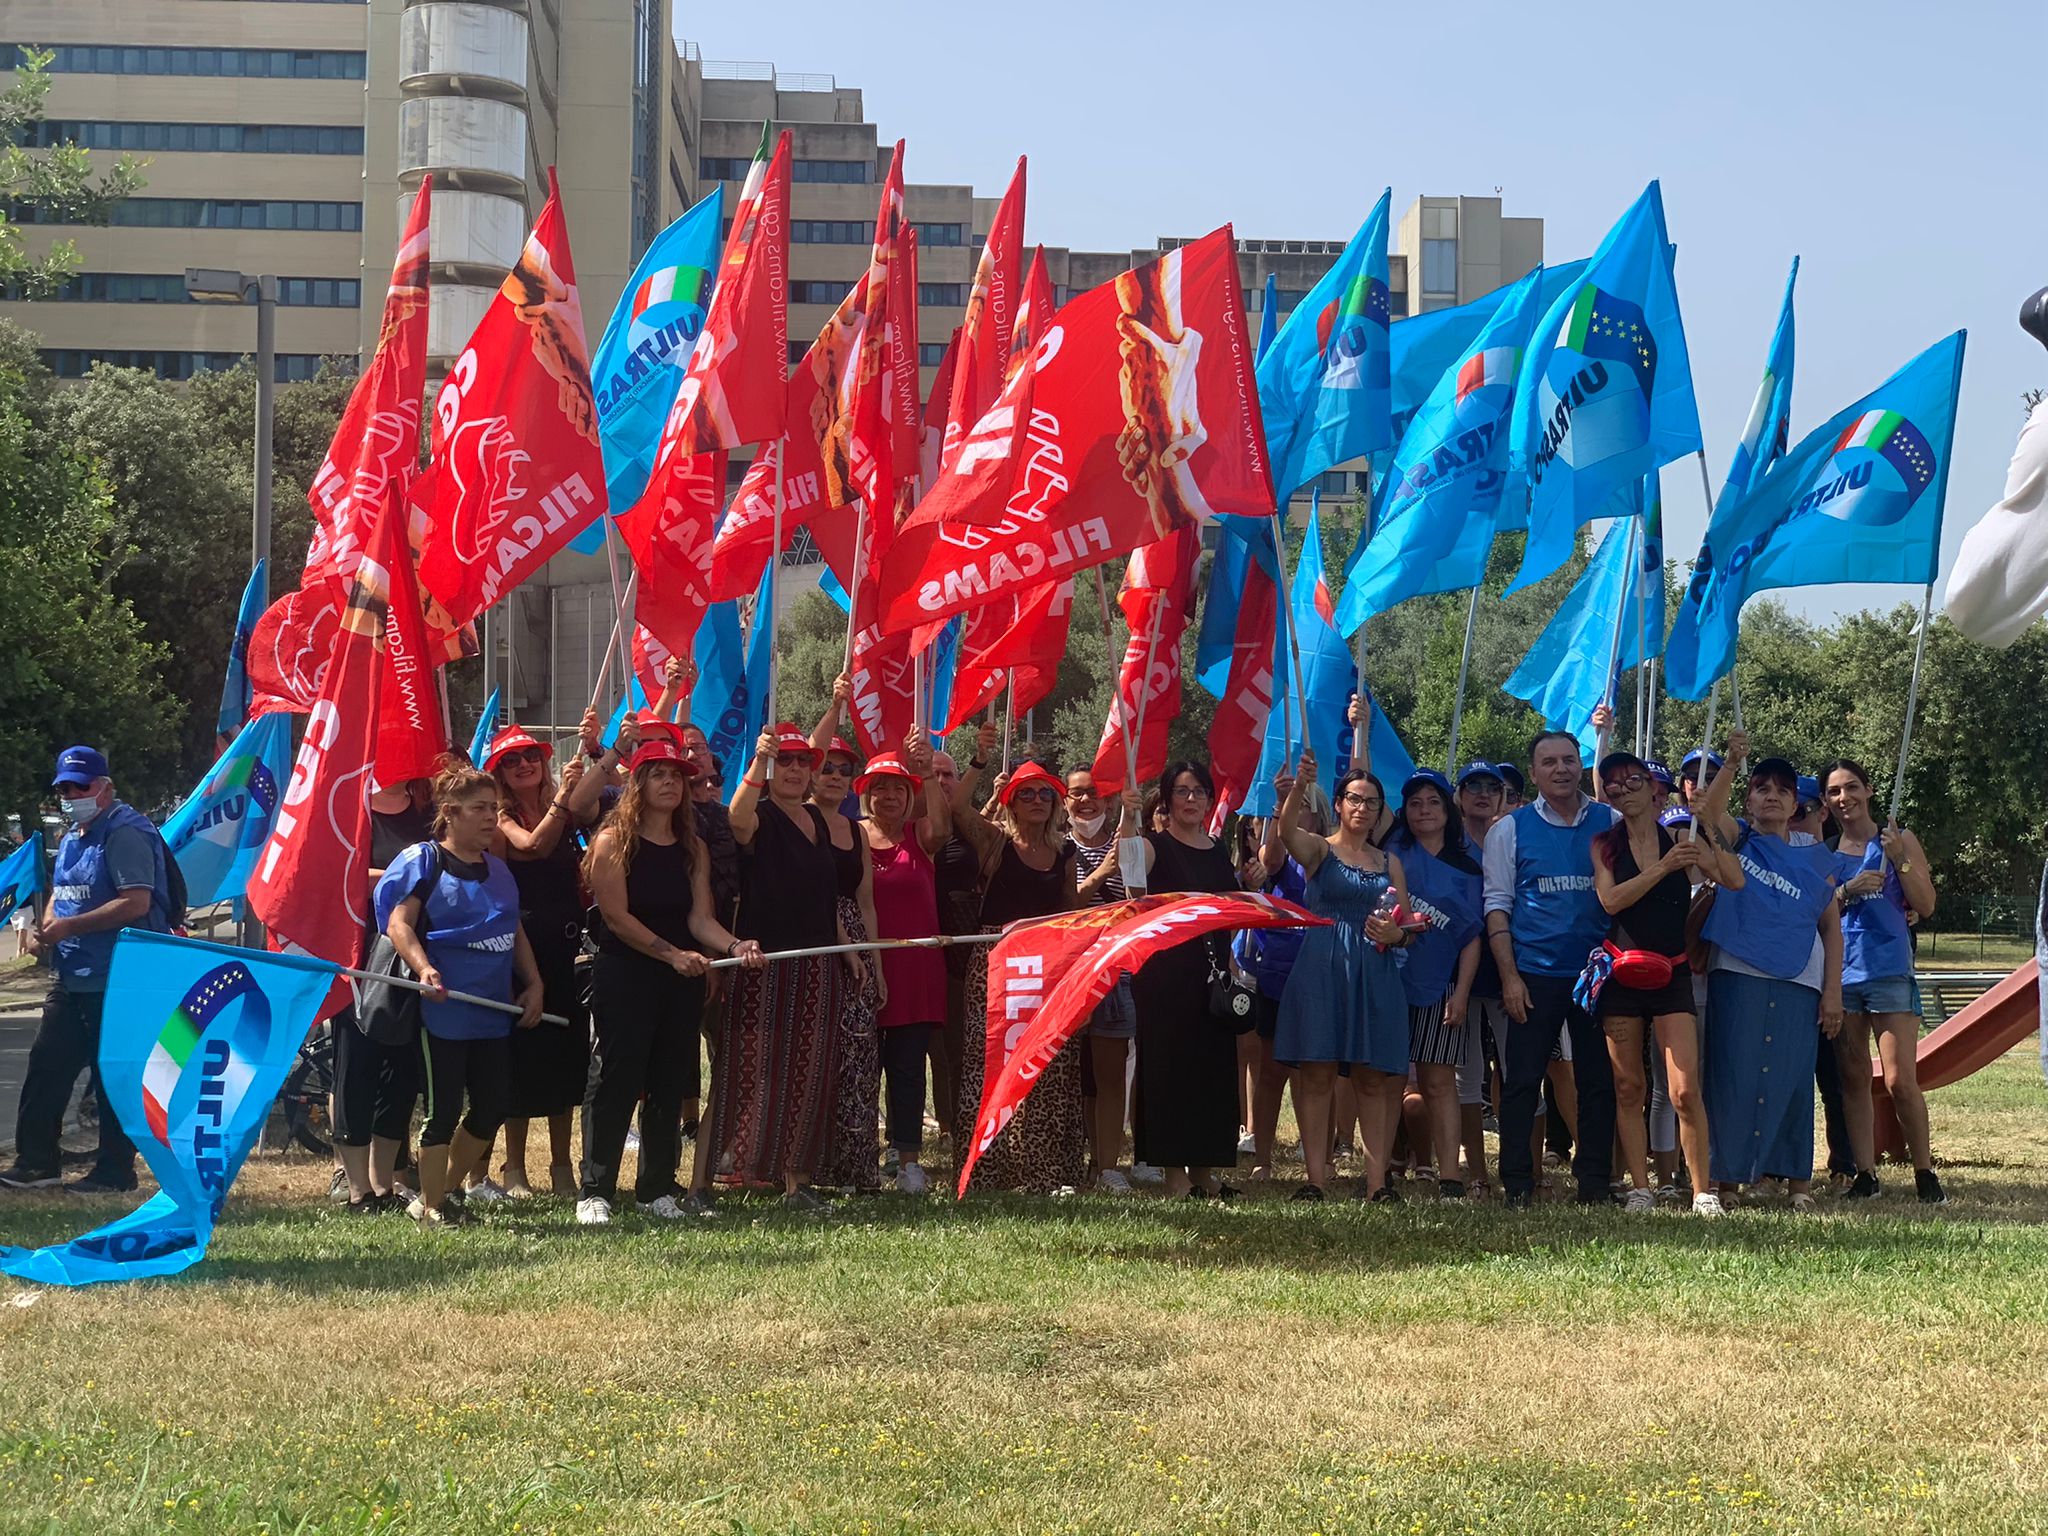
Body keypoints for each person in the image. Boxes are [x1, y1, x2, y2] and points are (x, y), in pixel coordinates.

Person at [578, 737, 762, 1224]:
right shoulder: (612, 841)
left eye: (677, 775)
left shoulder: (693, 847)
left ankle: (655, 1188)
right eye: (658, 773)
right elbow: (616, 918)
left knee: (669, 1079)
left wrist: (733, 946)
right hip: (626, 973)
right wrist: (671, 953)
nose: (670, 783)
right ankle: (595, 1189)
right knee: (617, 1078)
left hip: (681, 977)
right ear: (637, 782)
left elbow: (701, 919)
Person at [377, 759, 545, 1229]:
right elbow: (398, 924)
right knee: (443, 1110)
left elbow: (512, 930)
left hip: (492, 1012)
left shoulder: (500, 872)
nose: (492, 816)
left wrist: (534, 983)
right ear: (450, 812)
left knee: (491, 1105)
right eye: (479, 808)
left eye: (495, 807)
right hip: (443, 1012)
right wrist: (425, 969)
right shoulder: (424, 862)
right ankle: (433, 1208)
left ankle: (441, 1193)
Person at [2, 747, 175, 1194]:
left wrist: (69, 926)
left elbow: (136, 902)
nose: (72, 794)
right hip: (73, 971)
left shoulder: (126, 832)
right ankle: (37, 1162)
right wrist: (48, 924)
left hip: (121, 975)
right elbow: (63, 892)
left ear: (105, 787)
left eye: (81, 786)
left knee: (112, 1075)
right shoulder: (76, 834)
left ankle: (115, 1172)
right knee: (47, 1065)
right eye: (64, 787)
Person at [1691, 736, 1844, 1211]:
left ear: (1796, 803)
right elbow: (1708, 816)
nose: (1772, 795)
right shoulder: (1739, 837)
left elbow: (1830, 928)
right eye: (1761, 788)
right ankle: (1729, 1181)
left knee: (1794, 1081)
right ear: (1749, 800)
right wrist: (1733, 764)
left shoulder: (1817, 856)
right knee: (1731, 1076)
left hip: (1800, 979)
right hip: (1736, 971)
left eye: (1782, 789)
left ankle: (1798, 1182)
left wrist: (1833, 991)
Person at [712, 725, 860, 1208]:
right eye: (787, 761)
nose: (796, 769)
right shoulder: (761, 814)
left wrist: (849, 948)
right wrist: (759, 761)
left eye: (803, 762)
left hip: (819, 962)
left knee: (811, 1068)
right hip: (765, 962)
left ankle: (797, 1179)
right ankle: (746, 1169)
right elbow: (735, 821)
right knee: (756, 1067)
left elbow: (827, 898)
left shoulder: (818, 821)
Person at [1590, 751, 1739, 1217]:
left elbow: (1734, 880)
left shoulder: (1682, 837)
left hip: (1672, 973)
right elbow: (1611, 900)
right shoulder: (1604, 844)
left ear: (1654, 789)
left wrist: (1708, 829)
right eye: (1611, 786)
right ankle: (1640, 1187)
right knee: (1629, 1086)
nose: (1621, 791)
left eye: (1631, 781)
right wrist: (1664, 868)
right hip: (1621, 972)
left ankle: (1702, 1191)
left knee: (1683, 1090)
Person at [1482, 731, 1621, 1208]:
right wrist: (1510, 977)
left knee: (1598, 1081)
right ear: (1535, 771)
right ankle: (1518, 1183)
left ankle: (1595, 1183)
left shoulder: (1612, 822)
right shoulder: (1510, 830)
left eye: (1568, 759)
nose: (1560, 769)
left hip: (1596, 975)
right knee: (1521, 1081)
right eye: (1549, 762)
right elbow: (1497, 908)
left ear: (1582, 764)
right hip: (1534, 975)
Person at [1270, 752, 1413, 1200]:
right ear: (1338, 803)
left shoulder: (1390, 863)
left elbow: (1406, 926)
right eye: (1354, 798)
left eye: (1371, 802)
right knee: (1317, 1074)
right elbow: (1285, 833)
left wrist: (1397, 933)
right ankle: (1315, 1180)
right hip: (1320, 967)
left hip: (1374, 969)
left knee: (1372, 1078)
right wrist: (1296, 790)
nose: (1362, 808)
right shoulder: (1319, 848)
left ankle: (1376, 1185)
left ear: (1378, 810)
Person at [952, 739, 1086, 1193]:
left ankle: (1042, 1174)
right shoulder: (995, 841)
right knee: (987, 1064)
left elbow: (1071, 914)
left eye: (1044, 793)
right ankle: (986, 1174)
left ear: (1054, 802)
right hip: (995, 967)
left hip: (1046, 968)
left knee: (1044, 1069)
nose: (1035, 800)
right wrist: (979, 761)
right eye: (1025, 793)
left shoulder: (1066, 855)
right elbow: (955, 805)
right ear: (1010, 799)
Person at [1822, 759, 1945, 1203]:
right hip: (1843, 974)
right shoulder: (1826, 849)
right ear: (1825, 801)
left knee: (1898, 1080)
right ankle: (1866, 1174)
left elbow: (1926, 904)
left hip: (1890, 970)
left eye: (1851, 787)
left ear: (1869, 790)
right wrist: (1845, 891)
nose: (1844, 798)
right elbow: (1814, 912)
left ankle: (1925, 1171)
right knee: (1853, 1079)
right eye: (1834, 791)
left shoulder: (1900, 839)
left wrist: (1899, 861)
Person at [484, 725, 590, 1200]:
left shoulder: (565, 802)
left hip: (567, 946)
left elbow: (610, 790)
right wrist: (562, 799)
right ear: (500, 773)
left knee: (567, 1059)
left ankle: (563, 1164)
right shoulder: (501, 817)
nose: (524, 763)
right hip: (521, 946)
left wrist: (595, 755)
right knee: (521, 1059)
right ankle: (515, 1168)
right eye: (512, 760)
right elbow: (532, 846)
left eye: (530, 754)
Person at [329, 779, 433, 1212]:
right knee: (357, 1068)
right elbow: (338, 875)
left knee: (402, 1073)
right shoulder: (349, 813)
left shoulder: (429, 813)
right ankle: (356, 1190)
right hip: (358, 958)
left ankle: (384, 1184)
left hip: (417, 957)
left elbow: (449, 870)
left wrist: (390, 882)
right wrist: (409, 880)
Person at [857, 733, 953, 1194]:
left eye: (897, 788)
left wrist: (930, 771)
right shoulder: (853, 836)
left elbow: (943, 828)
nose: (889, 796)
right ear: (866, 794)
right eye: (879, 788)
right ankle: (860, 1158)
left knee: (908, 1068)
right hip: (862, 967)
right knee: (862, 1068)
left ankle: (910, 1160)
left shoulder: (920, 837)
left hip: (916, 972)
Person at [1382, 769, 1483, 1199]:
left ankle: (1450, 1177)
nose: (1424, 810)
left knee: (1438, 1081)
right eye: (1416, 803)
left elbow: (1471, 937)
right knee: (1385, 1080)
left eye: (1434, 802)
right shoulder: (1392, 849)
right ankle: (1380, 1171)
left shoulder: (1468, 866)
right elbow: (1362, 779)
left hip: (1440, 987)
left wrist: (1461, 993)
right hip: (1387, 978)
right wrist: (1359, 725)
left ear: (1449, 809)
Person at [805, 693, 885, 1194]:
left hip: (857, 946)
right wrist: (834, 703)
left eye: (843, 769)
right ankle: (808, 1168)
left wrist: (877, 965)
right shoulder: (799, 821)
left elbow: (868, 903)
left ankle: (855, 1169)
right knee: (816, 1056)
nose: (833, 775)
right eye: (826, 767)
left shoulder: (856, 833)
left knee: (858, 1058)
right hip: (814, 940)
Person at [1063, 766, 1142, 1191]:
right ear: (1065, 802)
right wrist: (1101, 872)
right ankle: (1076, 1163)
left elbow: (1138, 897)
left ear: (1109, 801)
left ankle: (1107, 1166)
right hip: (1066, 976)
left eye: (1095, 793)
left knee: (1110, 1077)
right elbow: (1064, 905)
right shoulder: (1056, 849)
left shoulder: (1124, 845)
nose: (1086, 801)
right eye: (1077, 794)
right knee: (1073, 1080)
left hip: (1115, 973)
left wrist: (1129, 829)